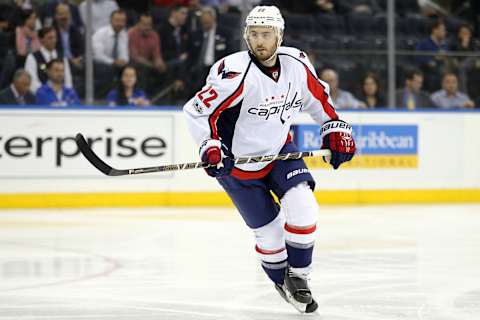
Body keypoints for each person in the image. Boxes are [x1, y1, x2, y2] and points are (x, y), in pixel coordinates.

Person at [183, 5, 355, 314]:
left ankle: (300, 279)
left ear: (280, 35)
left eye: (266, 34)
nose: (259, 41)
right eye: (254, 34)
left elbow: (319, 99)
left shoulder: (297, 64)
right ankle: (281, 280)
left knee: (304, 206)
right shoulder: (233, 73)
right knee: (271, 234)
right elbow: (197, 110)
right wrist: (210, 146)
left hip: (280, 152)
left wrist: (334, 127)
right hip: (235, 165)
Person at [187, 6, 234, 95]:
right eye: (203, 23)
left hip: (218, 69)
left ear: (214, 19)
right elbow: (191, 56)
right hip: (199, 70)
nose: (205, 25)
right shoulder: (195, 35)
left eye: (207, 22)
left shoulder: (225, 33)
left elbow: (230, 53)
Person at [24, 26, 73, 92]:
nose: (53, 40)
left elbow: (68, 79)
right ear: (41, 40)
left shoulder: (62, 57)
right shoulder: (32, 57)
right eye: (50, 38)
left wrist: (65, 93)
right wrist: (45, 93)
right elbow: (32, 81)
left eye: (55, 37)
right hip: (41, 96)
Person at [128, 12, 166, 95]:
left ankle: (161, 98)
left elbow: (157, 54)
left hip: (149, 64)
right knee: (143, 69)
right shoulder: (131, 33)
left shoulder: (154, 35)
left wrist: (160, 63)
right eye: (144, 24)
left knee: (167, 69)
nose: (147, 27)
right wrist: (152, 65)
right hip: (133, 64)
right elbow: (134, 56)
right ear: (138, 24)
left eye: (149, 25)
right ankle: (141, 96)